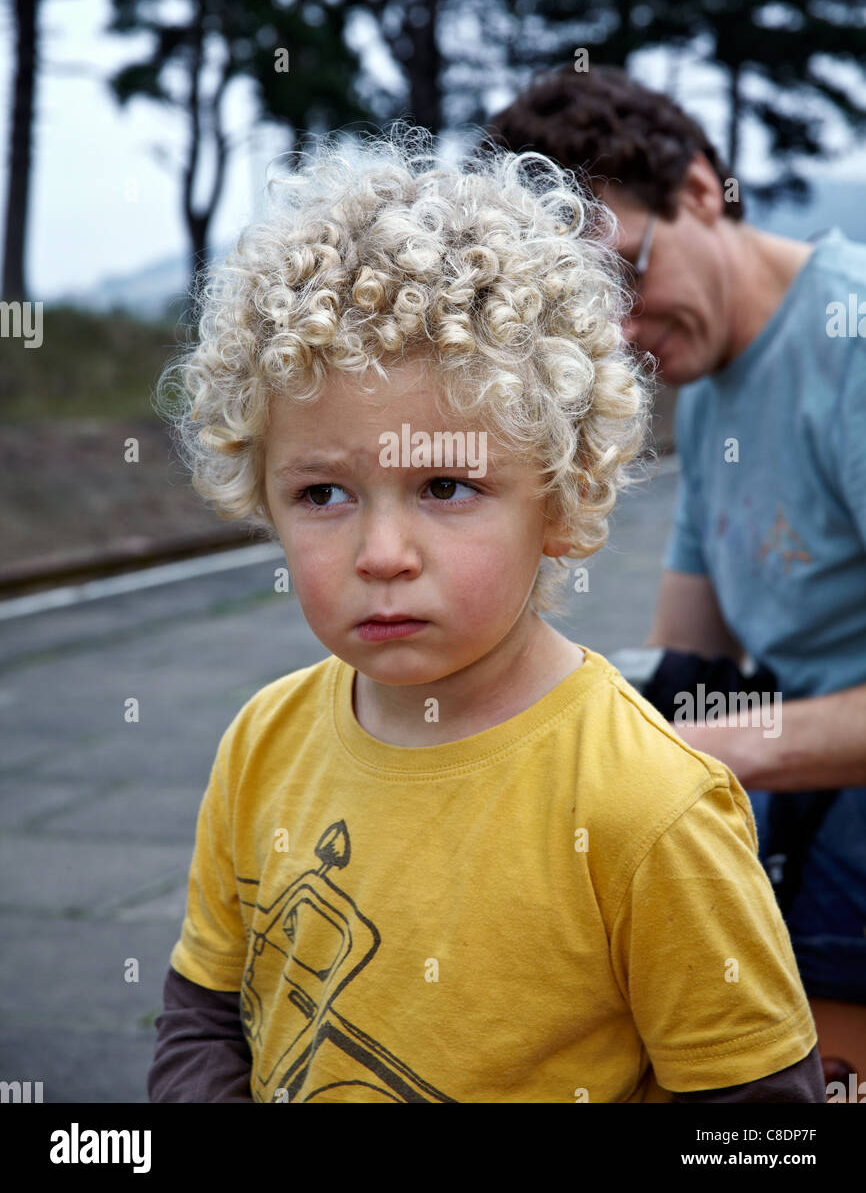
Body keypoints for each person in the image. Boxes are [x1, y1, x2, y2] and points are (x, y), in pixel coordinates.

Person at [147, 127, 824, 1103]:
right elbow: (204, 1013)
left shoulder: (646, 804)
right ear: (261, 494)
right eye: (324, 495)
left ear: (558, 499)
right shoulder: (260, 745)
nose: (382, 554)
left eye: (446, 485)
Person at [486, 65, 866, 1091]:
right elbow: (689, 654)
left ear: (698, 191)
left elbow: (692, 722)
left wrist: (681, 752)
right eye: (576, 305)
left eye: (621, 274)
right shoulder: (707, 384)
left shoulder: (850, 343)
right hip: (807, 743)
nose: (612, 331)